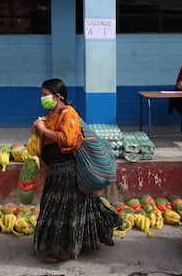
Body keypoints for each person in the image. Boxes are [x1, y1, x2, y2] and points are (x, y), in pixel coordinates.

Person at [31, 78, 121, 264]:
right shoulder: (51, 115)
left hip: (68, 171)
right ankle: (89, 237)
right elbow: (47, 138)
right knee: (68, 208)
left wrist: (43, 129)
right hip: (54, 171)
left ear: (57, 96)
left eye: (45, 95)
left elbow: (67, 139)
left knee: (65, 212)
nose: (42, 98)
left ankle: (63, 249)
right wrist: (38, 130)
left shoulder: (69, 113)